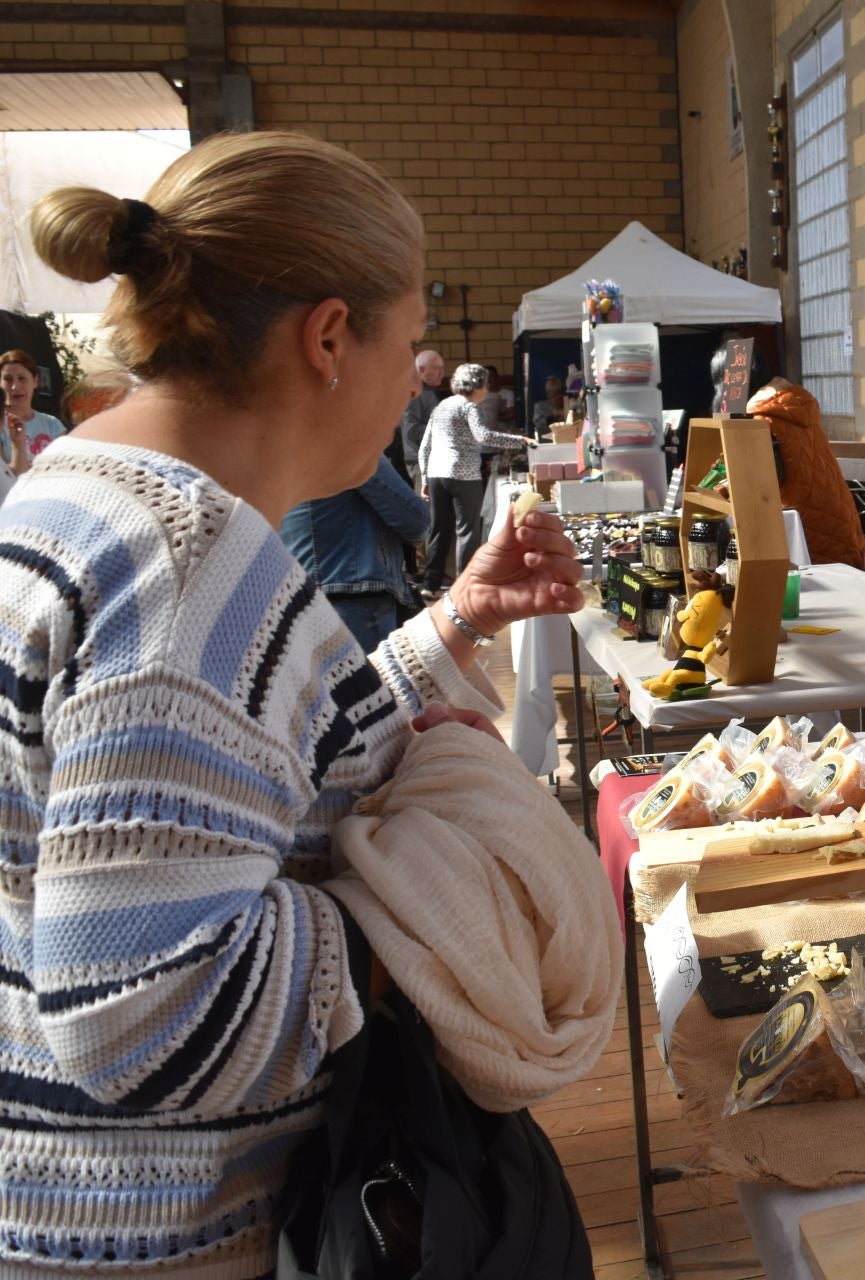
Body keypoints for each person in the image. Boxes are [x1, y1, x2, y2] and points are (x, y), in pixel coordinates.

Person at [8, 130, 585, 1274]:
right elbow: (146, 1004)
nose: (409, 375)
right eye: (409, 340)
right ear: (330, 338)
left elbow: (227, 770)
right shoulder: (188, 562)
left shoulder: (72, 491)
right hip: (171, 1230)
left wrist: (453, 629)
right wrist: (427, 916)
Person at [282, 450, 431, 652]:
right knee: (373, 682)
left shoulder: (276, 448)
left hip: (296, 597)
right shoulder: (350, 442)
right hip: (357, 597)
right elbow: (416, 521)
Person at [419, 361, 533, 595]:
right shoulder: (470, 407)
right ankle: (464, 586)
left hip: (436, 473)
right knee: (467, 532)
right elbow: (483, 436)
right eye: (486, 383)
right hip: (464, 474)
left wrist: (423, 477)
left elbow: (424, 446)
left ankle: (430, 584)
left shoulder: (441, 405)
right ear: (479, 385)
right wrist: (519, 440)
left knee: (439, 529)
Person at [745, 376, 865, 567]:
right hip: (836, 508)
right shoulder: (800, 410)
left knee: (818, 585)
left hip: (805, 516)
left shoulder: (763, 419)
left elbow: (768, 479)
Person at [1, 348, 67, 497]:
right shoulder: (0, 426)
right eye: (8, 379)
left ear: (35, 381)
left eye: (22, 378)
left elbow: (66, 471)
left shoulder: (53, 425)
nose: (14, 387)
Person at [401, 346, 444, 481]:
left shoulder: (427, 391)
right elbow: (411, 430)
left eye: (442, 368)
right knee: (425, 502)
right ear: (421, 370)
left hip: (430, 458)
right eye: (437, 368)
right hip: (420, 461)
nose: (442, 373)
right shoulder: (415, 393)